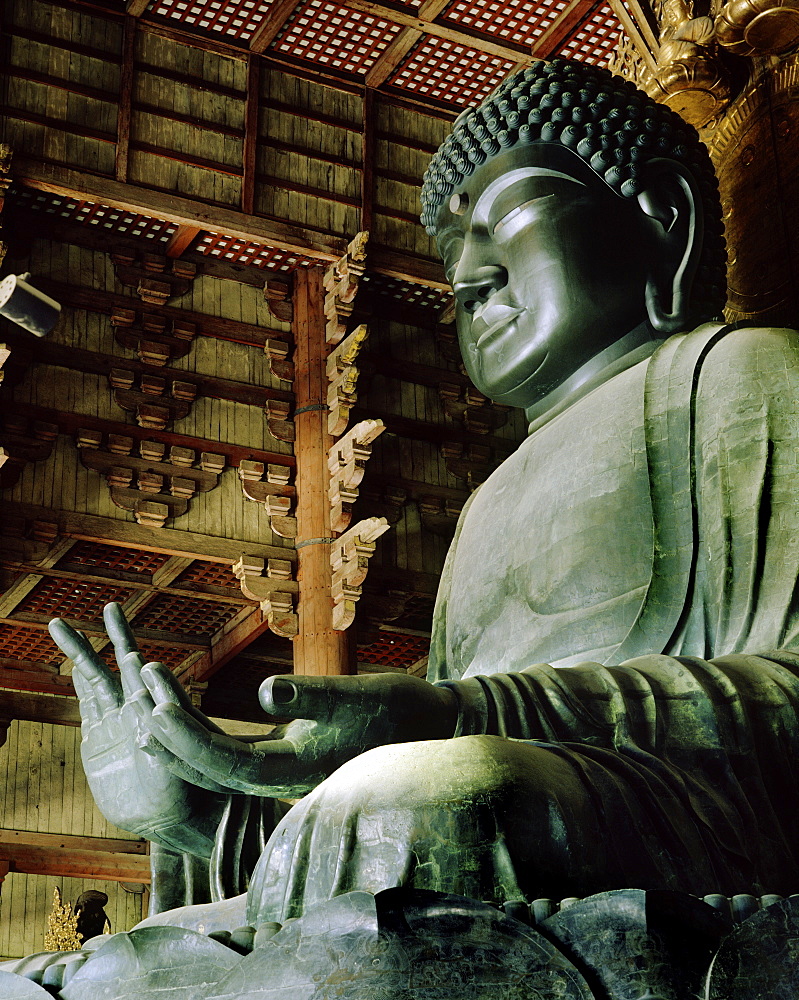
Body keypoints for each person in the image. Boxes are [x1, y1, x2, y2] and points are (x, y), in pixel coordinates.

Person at [48, 59, 799, 935]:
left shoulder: (746, 378)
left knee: (420, 799)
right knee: (150, 941)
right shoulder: (487, 504)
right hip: (500, 800)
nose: (467, 279)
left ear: (659, 216)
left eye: (506, 220)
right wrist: (198, 814)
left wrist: (459, 713)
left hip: (699, 822)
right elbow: (393, 807)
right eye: (452, 251)